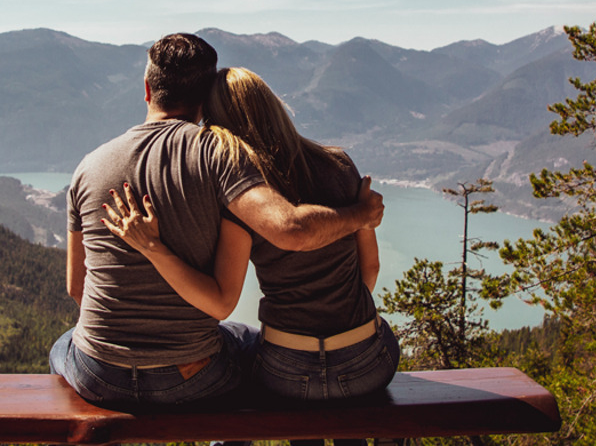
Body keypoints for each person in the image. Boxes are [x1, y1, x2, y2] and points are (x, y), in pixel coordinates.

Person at [49, 35, 385, 409]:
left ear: (146, 89)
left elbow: (77, 288)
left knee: (63, 344)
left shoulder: (87, 167)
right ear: (205, 97)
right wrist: (362, 215)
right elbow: (289, 232)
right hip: (192, 375)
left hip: (99, 374)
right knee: (245, 341)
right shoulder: (221, 155)